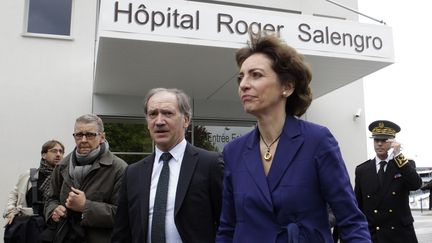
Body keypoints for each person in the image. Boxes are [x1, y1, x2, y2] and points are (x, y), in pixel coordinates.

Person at [216, 33, 371, 243]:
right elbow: (227, 227)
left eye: (256, 75)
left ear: (287, 87)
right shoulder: (233, 151)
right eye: (240, 77)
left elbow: (351, 221)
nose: (243, 84)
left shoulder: (317, 141)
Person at [112, 88, 224, 243]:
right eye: (153, 114)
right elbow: (122, 232)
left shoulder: (210, 164)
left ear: (186, 120)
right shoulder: (133, 172)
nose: (159, 121)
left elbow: (227, 223)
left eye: (167, 113)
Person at [44, 114, 127, 242]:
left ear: (102, 137)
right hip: (64, 237)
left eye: (89, 135)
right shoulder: (62, 166)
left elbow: (123, 215)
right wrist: (53, 210)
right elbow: (50, 199)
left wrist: (85, 207)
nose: (83, 140)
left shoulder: (118, 168)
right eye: (79, 135)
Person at [354, 120, 422, 243]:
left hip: (400, 235)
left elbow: (416, 184)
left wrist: (398, 155)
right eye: (376, 140)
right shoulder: (362, 170)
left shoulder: (403, 164)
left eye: (384, 140)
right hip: (374, 235)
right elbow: (357, 205)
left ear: (392, 142)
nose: (379, 144)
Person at [3, 140, 65, 243]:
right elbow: (14, 194)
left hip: (54, 229)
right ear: (44, 155)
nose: (58, 154)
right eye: (54, 151)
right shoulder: (29, 175)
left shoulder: (65, 177)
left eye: (61, 151)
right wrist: (10, 212)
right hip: (30, 228)